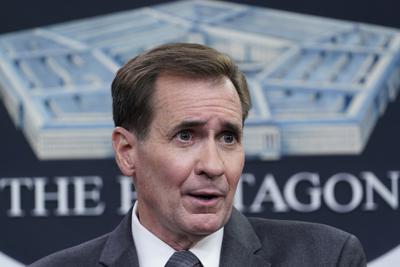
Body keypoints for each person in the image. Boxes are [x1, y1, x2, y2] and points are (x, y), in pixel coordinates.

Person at [30, 43, 366, 267]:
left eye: (228, 137)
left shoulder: (326, 257)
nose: (213, 165)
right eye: (185, 136)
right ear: (127, 151)